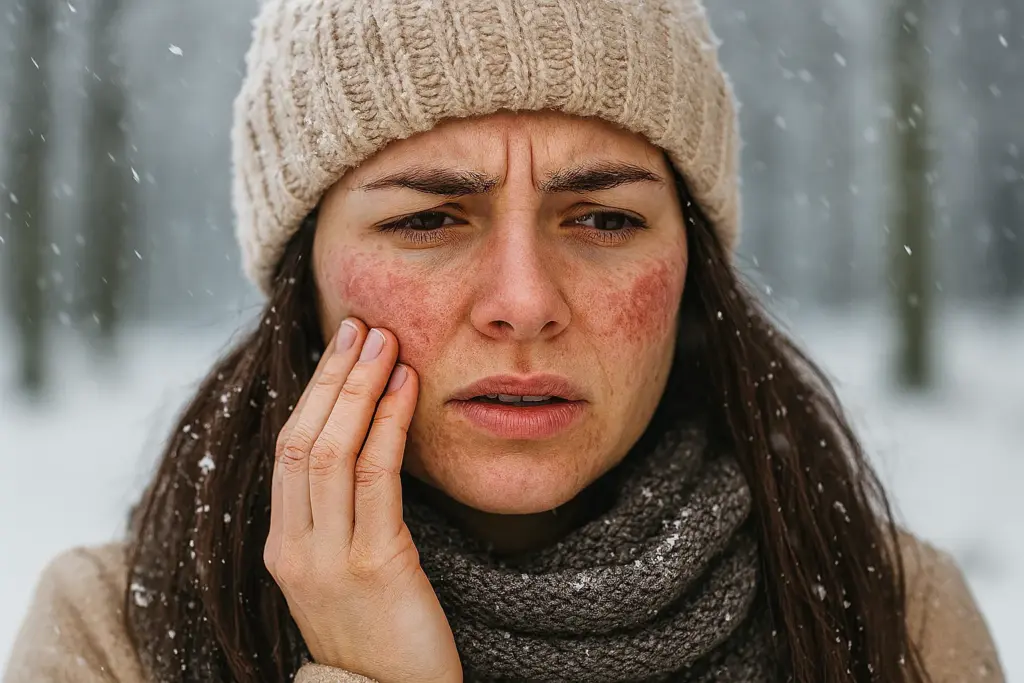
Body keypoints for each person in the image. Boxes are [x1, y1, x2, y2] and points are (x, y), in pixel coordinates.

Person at [4, 0, 1006, 681]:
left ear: (693, 266)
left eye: (604, 219)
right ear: (301, 278)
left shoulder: (893, 615)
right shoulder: (111, 634)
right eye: (429, 220)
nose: (524, 302)